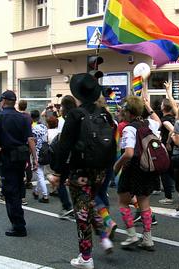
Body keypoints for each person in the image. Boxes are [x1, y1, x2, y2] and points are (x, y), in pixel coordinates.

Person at [52, 74, 115, 268]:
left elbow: (65, 147)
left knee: (81, 213)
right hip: (101, 170)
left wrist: (57, 172)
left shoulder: (75, 115)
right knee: (90, 203)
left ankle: (86, 257)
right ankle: (104, 237)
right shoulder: (104, 113)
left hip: (80, 172)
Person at [0, 90, 37, 237]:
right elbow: (30, 139)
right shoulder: (24, 118)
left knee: (10, 192)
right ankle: (20, 221)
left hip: (7, 157)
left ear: (3, 101)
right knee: (18, 187)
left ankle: (18, 226)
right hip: (21, 157)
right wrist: (35, 159)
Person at [114, 95, 159, 250]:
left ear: (128, 111)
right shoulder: (150, 123)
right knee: (144, 203)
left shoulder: (129, 128)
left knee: (122, 201)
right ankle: (147, 238)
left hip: (133, 168)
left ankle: (132, 234)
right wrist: (148, 106)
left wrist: (117, 166)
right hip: (148, 167)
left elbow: (128, 153)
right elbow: (158, 121)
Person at [30, 109, 49, 203]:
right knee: (40, 172)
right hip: (45, 151)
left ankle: (45, 195)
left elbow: (32, 141)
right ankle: (36, 191)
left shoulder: (33, 129)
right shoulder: (44, 127)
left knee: (40, 173)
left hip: (37, 152)